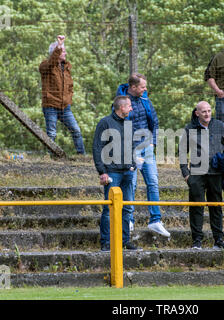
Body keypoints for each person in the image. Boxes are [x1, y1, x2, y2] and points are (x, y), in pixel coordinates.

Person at [116, 73, 170, 238]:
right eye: (142, 86)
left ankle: (155, 220)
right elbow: (119, 123)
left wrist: (153, 142)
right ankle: (129, 220)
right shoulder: (122, 103)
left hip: (147, 147)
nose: (145, 89)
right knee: (131, 184)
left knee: (153, 182)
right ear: (133, 87)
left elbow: (154, 121)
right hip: (130, 149)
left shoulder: (146, 100)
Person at [179, 101, 224, 250]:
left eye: (209, 111)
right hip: (196, 175)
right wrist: (186, 174)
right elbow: (182, 152)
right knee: (196, 208)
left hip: (216, 173)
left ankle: (219, 241)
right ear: (197, 113)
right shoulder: (189, 128)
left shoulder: (219, 126)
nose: (207, 114)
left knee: (216, 207)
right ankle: (197, 241)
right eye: (204, 111)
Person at [93, 95, 140, 251]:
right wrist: (102, 172)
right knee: (108, 209)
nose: (131, 108)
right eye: (129, 106)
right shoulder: (105, 123)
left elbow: (132, 146)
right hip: (112, 172)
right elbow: (97, 148)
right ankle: (106, 242)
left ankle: (124, 241)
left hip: (128, 172)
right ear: (122, 108)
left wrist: (133, 165)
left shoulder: (128, 124)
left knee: (127, 208)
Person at [39, 35, 85, 154]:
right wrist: (59, 45)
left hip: (65, 107)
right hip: (50, 106)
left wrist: (68, 99)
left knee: (76, 130)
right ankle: (49, 157)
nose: (65, 53)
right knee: (51, 134)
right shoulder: (45, 66)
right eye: (62, 51)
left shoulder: (66, 68)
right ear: (55, 52)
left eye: (63, 50)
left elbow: (70, 87)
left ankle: (82, 155)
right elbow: (52, 62)